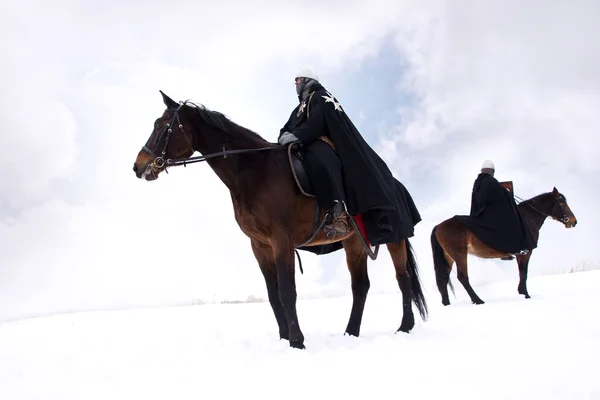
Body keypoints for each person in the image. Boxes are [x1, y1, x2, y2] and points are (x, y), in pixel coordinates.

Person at [277, 68, 422, 245]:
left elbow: (318, 122)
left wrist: (297, 136)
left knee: (321, 160)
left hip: (323, 143)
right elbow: (286, 127)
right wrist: (284, 136)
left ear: (308, 80)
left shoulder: (321, 96)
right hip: (300, 146)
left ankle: (338, 212)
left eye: (298, 80)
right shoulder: (298, 109)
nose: (296, 84)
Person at [456, 160, 536, 257]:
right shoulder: (491, 181)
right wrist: (508, 195)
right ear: (492, 171)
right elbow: (501, 196)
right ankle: (513, 248)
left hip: (479, 213)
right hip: (488, 214)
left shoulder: (478, 182)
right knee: (511, 221)